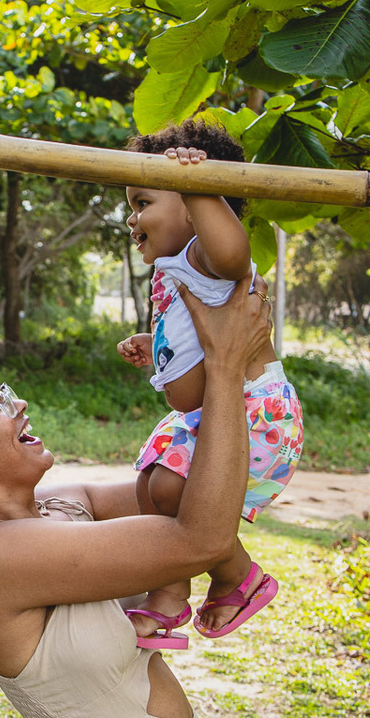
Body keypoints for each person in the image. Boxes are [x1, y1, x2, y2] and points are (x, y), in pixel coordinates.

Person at [0, 273, 272, 718]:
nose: (19, 404)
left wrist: (218, 335)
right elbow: (202, 540)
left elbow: (195, 496)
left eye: (6, 392)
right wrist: (224, 366)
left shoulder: (58, 506)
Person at [117, 121, 302, 648]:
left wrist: (201, 186)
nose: (133, 220)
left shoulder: (206, 255)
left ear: (197, 206)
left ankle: (236, 575)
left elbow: (233, 255)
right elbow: (190, 334)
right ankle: (170, 596)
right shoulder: (173, 269)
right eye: (131, 207)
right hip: (205, 413)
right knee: (151, 487)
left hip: (253, 414)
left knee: (174, 489)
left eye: (143, 203)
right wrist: (151, 342)